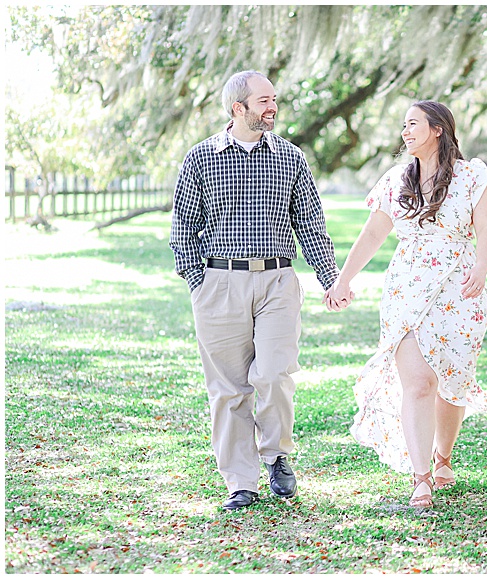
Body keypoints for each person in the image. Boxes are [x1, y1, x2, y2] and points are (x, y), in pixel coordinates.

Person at [170, 70, 348, 510]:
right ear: (238, 108)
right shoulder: (200, 158)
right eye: (264, 101)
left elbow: (310, 223)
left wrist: (331, 279)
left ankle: (277, 455)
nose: (272, 107)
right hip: (219, 283)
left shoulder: (290, 157)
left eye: (274, 100)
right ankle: (240, 482)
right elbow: (182, 230)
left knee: (273, 374)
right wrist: (201, 283)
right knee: (229, 389)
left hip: (277, 281)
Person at [324, 100, 487, 507]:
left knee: (452, 384)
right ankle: (421, 478)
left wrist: (482, 268)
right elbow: (372, 235)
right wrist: (343, 279)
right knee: (418, 382)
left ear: (438, 129)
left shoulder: (473, 175)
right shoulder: (394, 181)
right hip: (406, 287)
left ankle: (443, 456)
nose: (405, 132)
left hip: (460, 288)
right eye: (403, 125)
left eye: (413, 124)